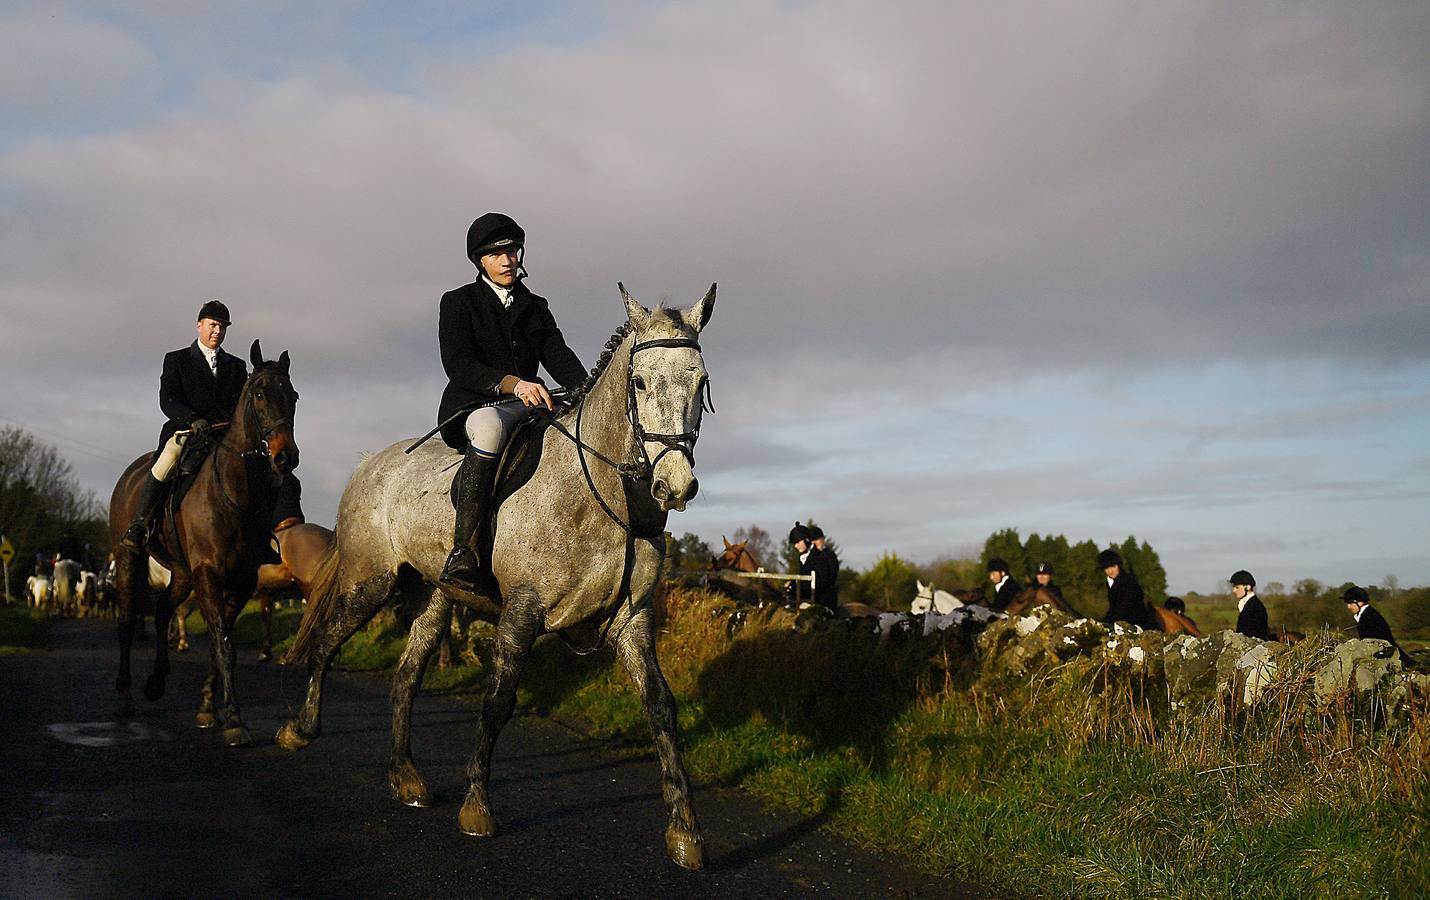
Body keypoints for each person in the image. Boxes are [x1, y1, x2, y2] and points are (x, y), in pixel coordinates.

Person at [436, 213, 588, 591]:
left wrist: (587, 389)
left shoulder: (535, 305)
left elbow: (558, 355)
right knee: (490, 429)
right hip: (475, 405)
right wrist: (513, 384)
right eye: (496, 254)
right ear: (480, 261)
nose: (507, 261)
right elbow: (458, 364)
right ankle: (464, 550)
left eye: (512, 252)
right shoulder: (458, 302)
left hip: (529, 404)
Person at [121, 301, 248, 551]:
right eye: (213, 325)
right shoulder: (176, 360)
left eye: (223, 327)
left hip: (225, 435)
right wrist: (191, 419)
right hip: (187, 431)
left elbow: (240, 405)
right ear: (199, 325)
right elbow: (167, 399)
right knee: (168, 459)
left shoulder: (237, 366)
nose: (218, 331)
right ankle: (140, 524)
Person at [1342, 585, 1416, 666]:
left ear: (1360, 603)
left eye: (1350, 603)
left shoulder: (1369, 617)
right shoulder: (1367, 614)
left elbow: (1375, 642)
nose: (1348, 606)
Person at [1098, 549, 1158, 630]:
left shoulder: (1129, 582)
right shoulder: (1110, 583)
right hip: (1121, 623)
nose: (1110, 571)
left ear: (1118, 565)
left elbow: (1123, 608)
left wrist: (1105, 622)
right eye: (1107, 568)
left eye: (1113, 566)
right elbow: (1113, 609)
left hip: (1139, 625)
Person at [805, 524, 840, 611]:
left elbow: (832, 574)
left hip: (827, 595)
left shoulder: (829, 555)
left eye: (819, 539)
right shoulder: (811, 557)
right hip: (814, 594)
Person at [1229, 569, 1269, 640]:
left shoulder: (1255, 608)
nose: (1234, 590)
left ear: (1248, 587)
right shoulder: (1248, 604)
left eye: (1237, 587)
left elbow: (1249, 635)